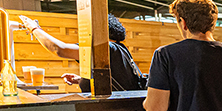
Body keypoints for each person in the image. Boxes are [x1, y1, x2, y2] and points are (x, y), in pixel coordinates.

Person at [17, 13, 146, 91]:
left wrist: (34, 27)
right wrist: (82, 80)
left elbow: (59, 49)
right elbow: (115, 80)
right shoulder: (120, 49)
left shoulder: (106, 48)